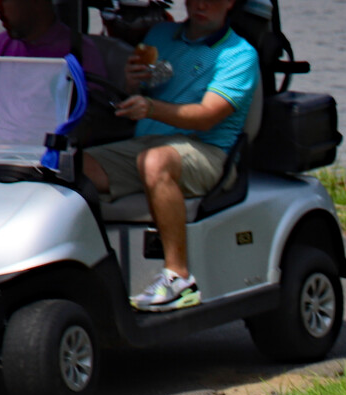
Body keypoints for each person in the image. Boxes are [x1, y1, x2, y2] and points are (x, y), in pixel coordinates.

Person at [83, 0, 259, 312]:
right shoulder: (161, 36)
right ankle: (85, 270)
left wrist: (150, 108)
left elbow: (206, 116)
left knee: (155, 160)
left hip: (210, 152)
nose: (202, 4)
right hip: (149, 145)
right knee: (74, 166)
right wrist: (133, 80)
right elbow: (149, 82)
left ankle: (179, 278)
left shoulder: (239, 54)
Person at [0, 0, 107, 144]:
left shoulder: (81, 53)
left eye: (6, 0)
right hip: (0, 159)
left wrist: (6, 147)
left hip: (48, 161)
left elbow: (87, 129)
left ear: (37, 3)